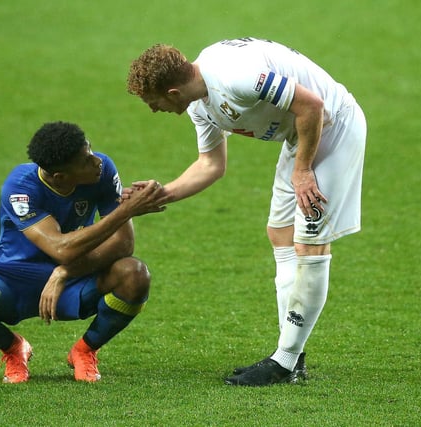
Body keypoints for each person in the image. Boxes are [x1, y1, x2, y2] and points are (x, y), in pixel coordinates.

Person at [127, 37, 366, 386]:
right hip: (301, 137)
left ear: (173, 92)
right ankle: (292, 354)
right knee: (280, 233)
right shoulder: (199, 105)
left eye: (153, 102)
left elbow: (312, 106)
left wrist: (302, 171)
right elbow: (210, 165)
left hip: (333, 128)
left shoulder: (234, 76)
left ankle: (283, 362)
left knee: (310, 243)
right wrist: (158, 195)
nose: (153, 109)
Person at [0, 121, 165, 383]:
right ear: (60, 177)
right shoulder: (20, 188)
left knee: (135, 274)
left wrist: (65, 272)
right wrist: (126, 211)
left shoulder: (102, 170)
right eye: (85, 161)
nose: (96, 162)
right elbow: (60, 248)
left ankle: (84, 350)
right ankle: (13, 348)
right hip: (15, 278)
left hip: (75, 276)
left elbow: (124, 244)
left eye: (90, 151)